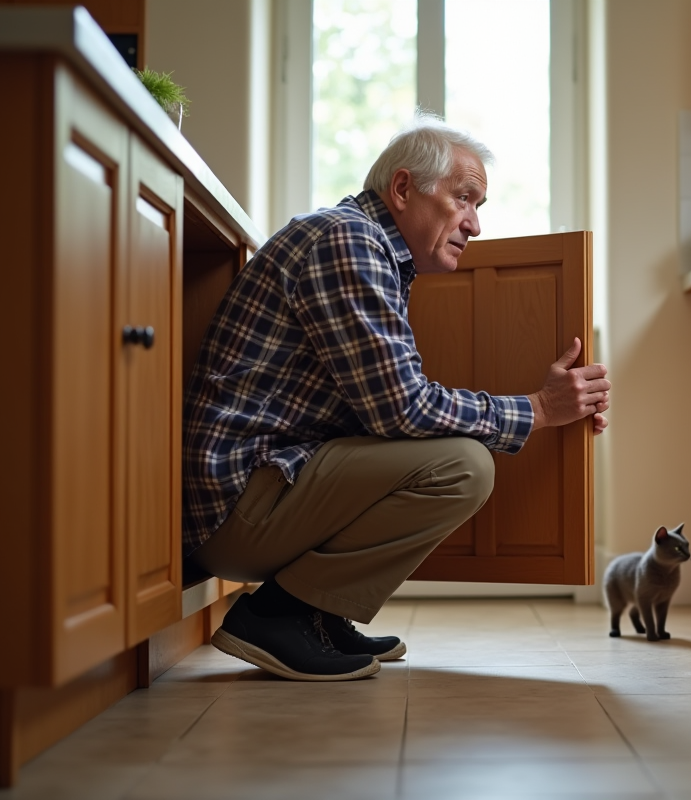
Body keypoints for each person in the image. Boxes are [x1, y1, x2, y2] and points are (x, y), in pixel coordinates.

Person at [182, 116, 610, 681]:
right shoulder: (348, 239)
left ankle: (318, 613)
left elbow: (385, 409)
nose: (475, 226)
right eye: (464, 199)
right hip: (238, 506)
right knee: (462, 466)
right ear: (404, 189)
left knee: (455, 450)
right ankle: (279, 615)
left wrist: (557, 407)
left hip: (258, 491)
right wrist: (538, 409)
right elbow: (402, 410)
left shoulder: (374, 251)